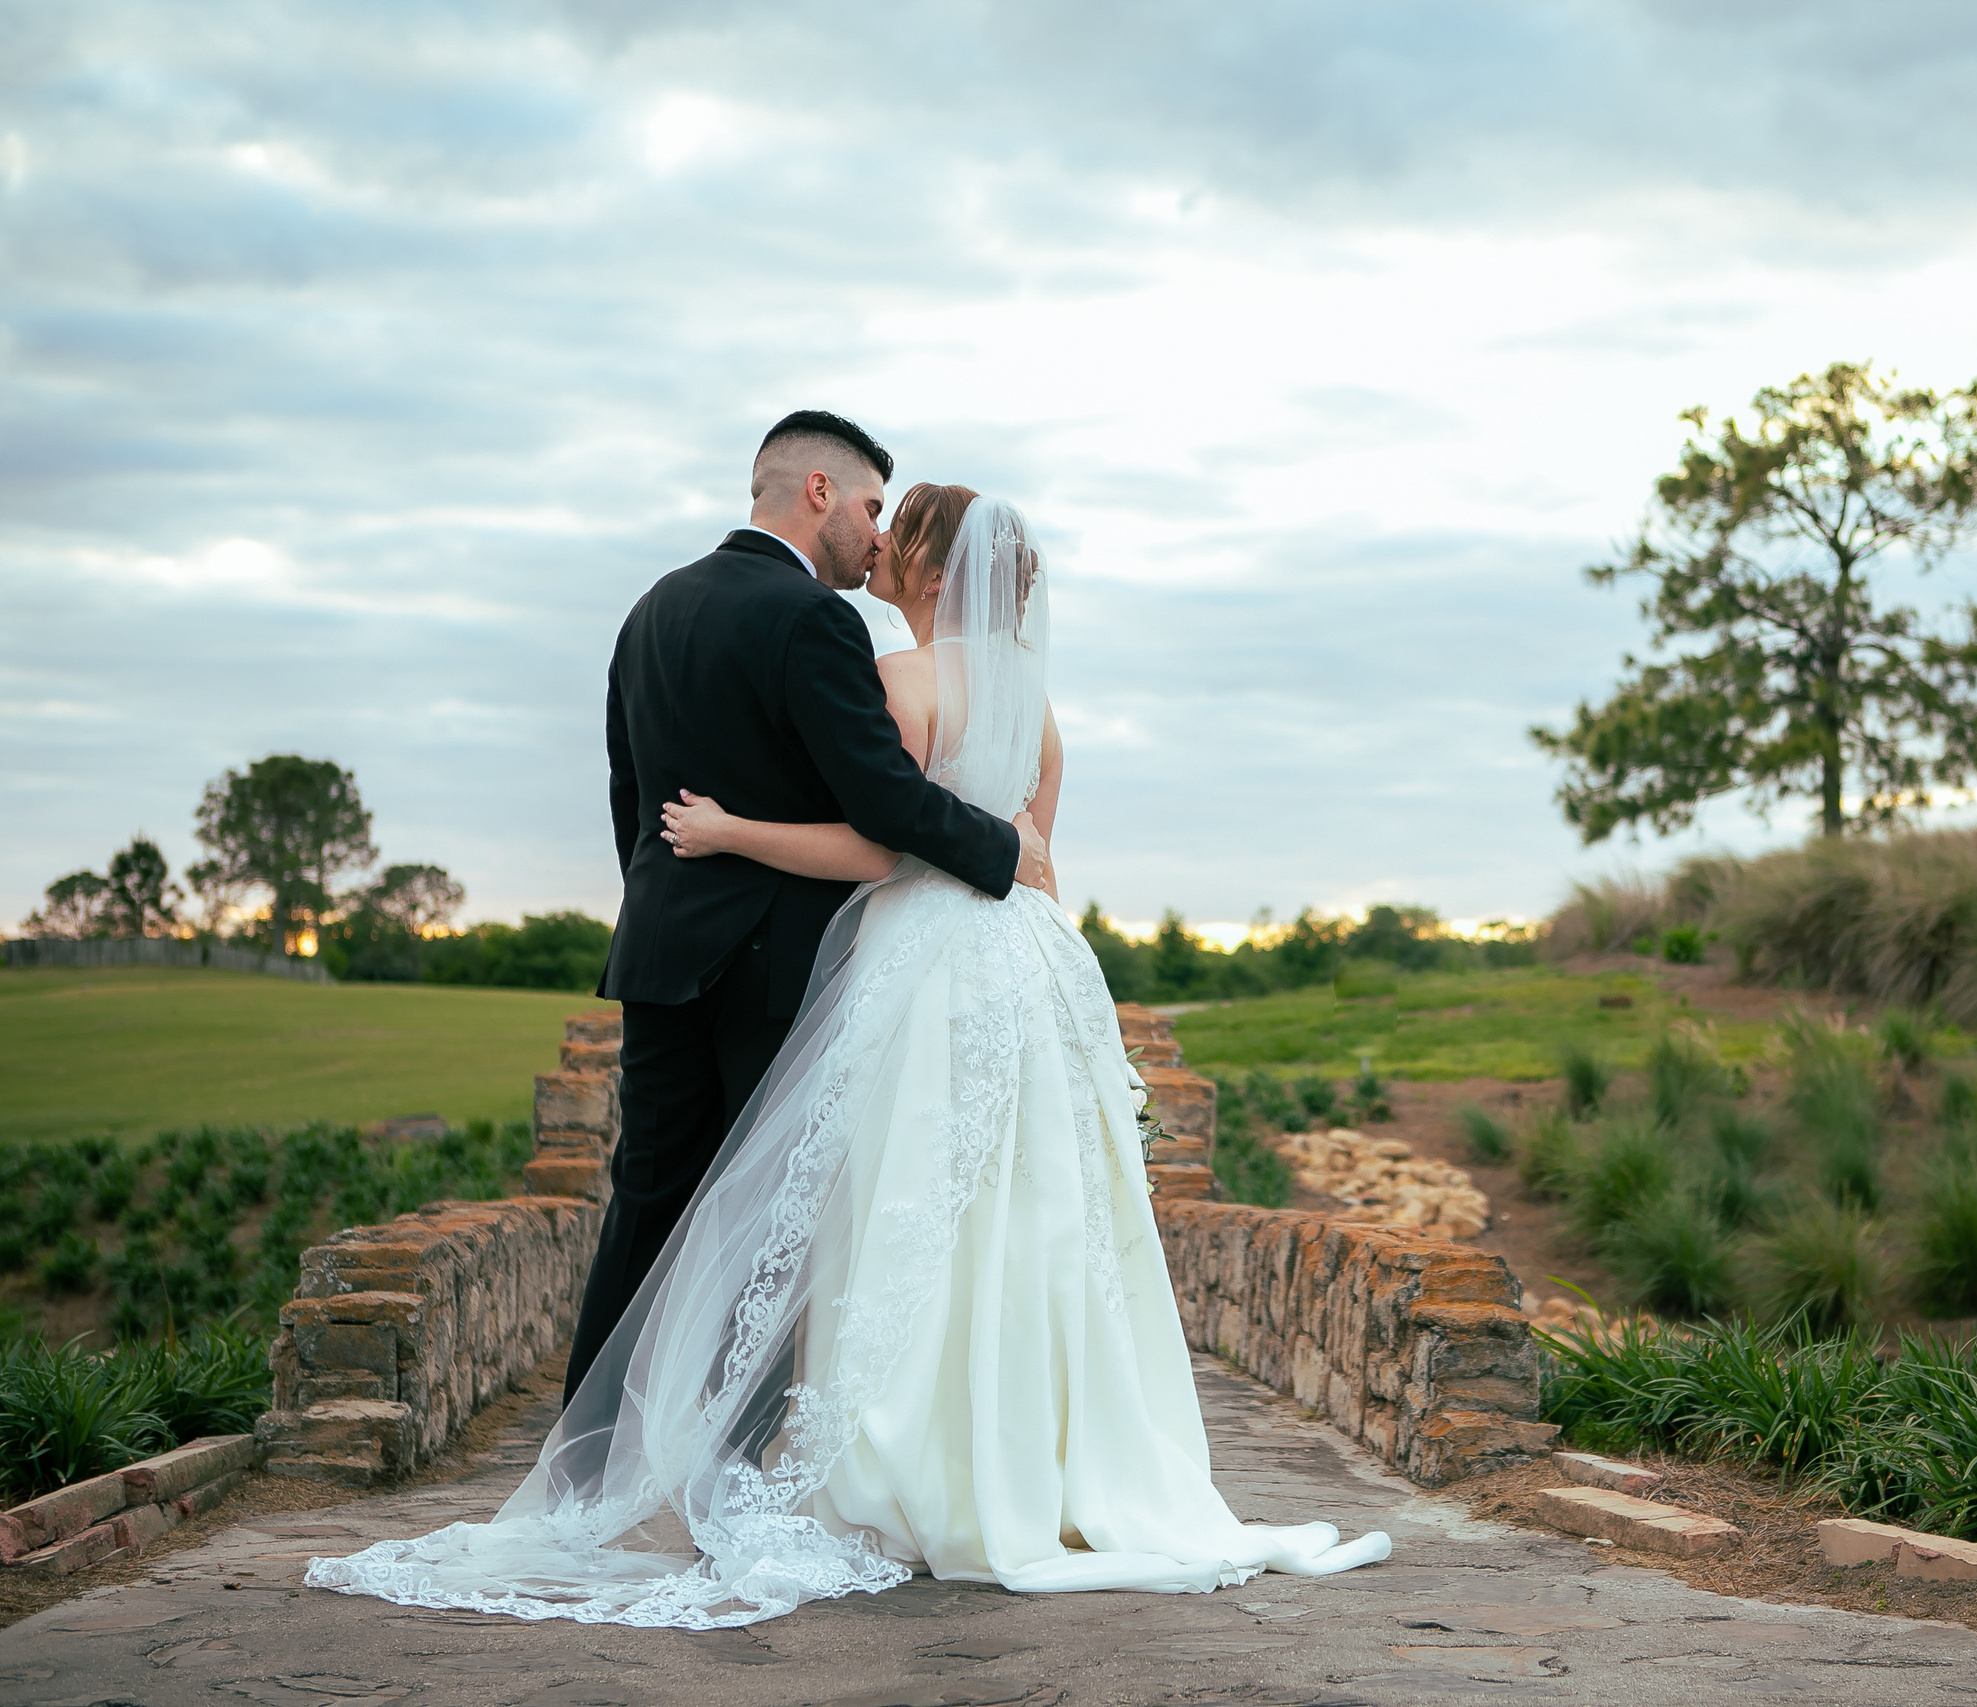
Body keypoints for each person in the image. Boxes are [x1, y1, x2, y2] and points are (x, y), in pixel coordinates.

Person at [306, 484, 1391, 1626]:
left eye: (896, 529)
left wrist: (727, 832)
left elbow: (880, 847)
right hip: (1031, 968)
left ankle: (892, 1463)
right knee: (1022, 1220)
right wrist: (1083, 1009)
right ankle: (1036, 1462)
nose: (877, 543)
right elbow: (1037, 861)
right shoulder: (1040, 705)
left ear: (927, 567)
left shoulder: (904, 680)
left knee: (895, 1204)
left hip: (927, 964)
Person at [566, 411, 1046, 1406]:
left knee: (645, 1201)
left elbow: (629, 797)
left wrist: (669, 904)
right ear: (818, 492)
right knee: (774, 1217)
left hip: (661, 951)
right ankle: (733, 1464)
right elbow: (884, 807)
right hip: (776, 960)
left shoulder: (651, 608)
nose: (878, 535)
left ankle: (585, 1457)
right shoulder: (814, 618)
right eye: (871, 505)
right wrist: (1007, 846)